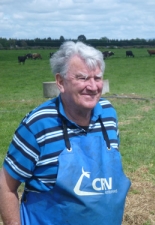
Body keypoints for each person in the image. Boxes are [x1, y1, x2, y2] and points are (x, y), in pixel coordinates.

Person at [0, 41, 131, 225]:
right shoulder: (39, 124)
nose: (93, 87)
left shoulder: (108, 115)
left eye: (97, 78)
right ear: (60, 82)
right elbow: (5, 185)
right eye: (83, 78)